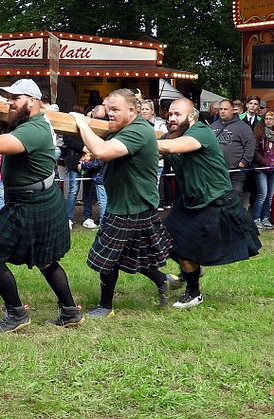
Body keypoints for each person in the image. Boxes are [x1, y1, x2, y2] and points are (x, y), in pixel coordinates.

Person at [0, 79, 84, 332]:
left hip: (31, 202)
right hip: (35, 199)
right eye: (8, 98)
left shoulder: (33, 129)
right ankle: (70, 312)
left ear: (33, 101)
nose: (10, 103)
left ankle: (17, 314)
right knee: (45, 260)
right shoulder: (27, 122)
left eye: (16, 98)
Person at [70, 88, 174, 318]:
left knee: (108, 258)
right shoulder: (123, 129)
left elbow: (103, 151)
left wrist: (82, 123)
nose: (110, 114)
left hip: (131, 204)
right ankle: (164, 281)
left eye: (115, 110)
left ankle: (105, 307)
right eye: (108, 110)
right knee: (131, 252)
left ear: (133, 110)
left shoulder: (137, 131)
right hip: (130, 202)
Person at [157, 98, 261, 308]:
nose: (172, 118)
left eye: (178, 114)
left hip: (214, 202)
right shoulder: (173, 135)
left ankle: (193, 293)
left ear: (192, 116)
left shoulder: (201, 133)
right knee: (164, 240)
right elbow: (157, 143)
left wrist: (134, 141)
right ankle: (191, 270)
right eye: (170, 114)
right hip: (189, 202)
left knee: (186, 249)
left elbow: (172, 146)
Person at [210, 99, 255, 203]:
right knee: (218, 199)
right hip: (218, 170)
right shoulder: (213, 126)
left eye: (226, 109)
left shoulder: (243, 127)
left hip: (236, 171)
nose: (222, 111)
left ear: (233, 110)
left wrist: (243, 162)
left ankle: (234, 219)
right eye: (220, 109)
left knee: (234, 198)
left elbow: (250, 145)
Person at [252, 112, 274, 229]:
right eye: (266, 118)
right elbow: (254, 151)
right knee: (263, 194)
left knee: (270, 196)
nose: (268, 121)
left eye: (271, 119)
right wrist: (264, 162)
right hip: (261, 168)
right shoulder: (258, 133)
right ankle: (256, 218)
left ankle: (265, 218)